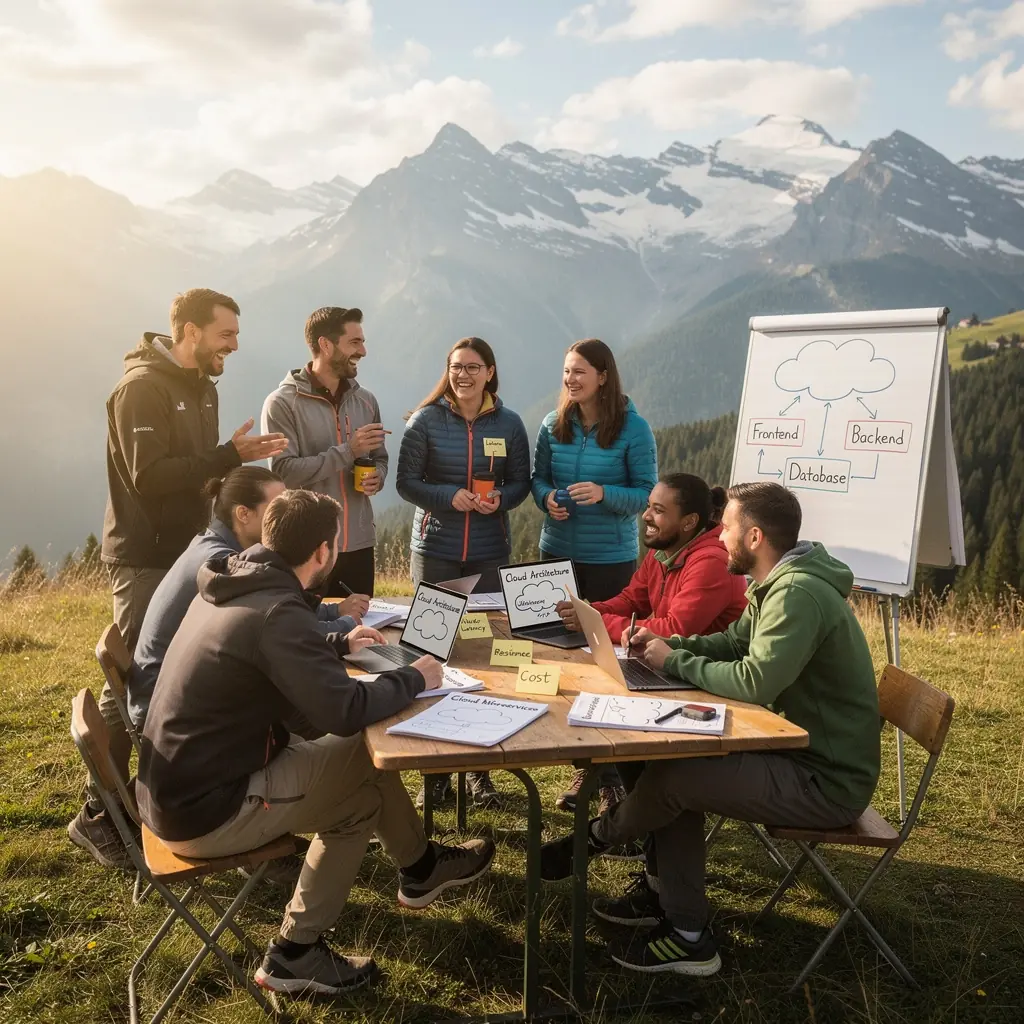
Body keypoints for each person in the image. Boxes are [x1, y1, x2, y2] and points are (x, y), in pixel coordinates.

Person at [137, 489, 495, 998]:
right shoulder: (275, 611)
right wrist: (414, 677)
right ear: (324, 553)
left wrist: (336, 642)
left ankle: (420, 869)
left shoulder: (233, 583)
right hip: (205, 811)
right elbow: (342, 712)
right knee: (360, 790)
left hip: (174, 788)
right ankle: (296, 951)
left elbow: (267, 652)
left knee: (362, 763)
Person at [539, 482, 881, 978]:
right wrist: (667, 645)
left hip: (824, 782)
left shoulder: (797, 594)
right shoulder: (777, 584)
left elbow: (755, 678)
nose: (721, 539)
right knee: (670, 765)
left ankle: (621, 864)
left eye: (730, 529)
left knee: (679, 781)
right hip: (796, 754)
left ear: (756, 537)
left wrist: (674, 656)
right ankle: (669, 906)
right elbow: (730, 642)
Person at [76, 289, 287, 868]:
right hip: (146, 556)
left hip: (188, 553)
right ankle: (99, 814)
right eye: (226, 335)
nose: (235, 345)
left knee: (172, 673)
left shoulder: (201, 387)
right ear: (190, 332)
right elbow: (149, 477)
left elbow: (201, 473)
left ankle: (153, 800)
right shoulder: (141, 389)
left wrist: (236, 478)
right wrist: (227, 456)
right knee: (138, 682)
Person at [552, 473, 747, 812]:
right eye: (648, 507)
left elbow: (673, 629)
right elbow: (631, 599)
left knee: (604, 696)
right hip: (668, 672)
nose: (646, 516)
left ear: (688, 522)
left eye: (658, 510)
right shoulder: (666, 551)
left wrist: (593, 623)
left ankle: (628, 810)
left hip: (705, 685)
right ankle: (626, 803)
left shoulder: (711, 561)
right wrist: (587, 611)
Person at [125, 466, 368, 734]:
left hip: (172, 701)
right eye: (276, 505)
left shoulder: (214, 550)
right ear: (243, 514)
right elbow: (279, 628)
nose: (286, 514)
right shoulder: (224, 565)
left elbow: (275, 617)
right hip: (172, 714)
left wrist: (333, 613)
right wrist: (344, 626)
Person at [396, 337, 531, 811]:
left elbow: (521, 482)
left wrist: (502, 500)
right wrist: (448, 496)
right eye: (456, 367)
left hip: (490, 553)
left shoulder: (510, 423)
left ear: (490, 372)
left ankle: (478, 773)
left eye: (473, 367)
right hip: (436, 550)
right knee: (431, 655)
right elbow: (406, 483)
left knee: (482, 658)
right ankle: (432, 771)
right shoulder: (426, 419)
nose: (464, 375)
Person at [531, 338, 658, 812]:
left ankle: (609, 778)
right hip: (556, 555)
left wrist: (604, 493)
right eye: (566, 371)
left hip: (610, 561)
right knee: (561, 659)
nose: (571, 380)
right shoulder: (552, 423)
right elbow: (537, 480)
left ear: (603, 375)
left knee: (603, 665)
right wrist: (545, 499)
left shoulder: (634, 429)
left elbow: (645, 494)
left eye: (580, 371)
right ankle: (583, 768)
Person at [262, 306, 386, 598]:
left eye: (363, 341)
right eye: (354, 343)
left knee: (359, 635)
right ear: (325, 345)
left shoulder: (366, 401)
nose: (364, 351)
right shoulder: (281, 403)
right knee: (307, 634)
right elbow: (284, 473)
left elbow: (380, 458)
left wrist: (377, 477)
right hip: (305, 548)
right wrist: (347, 451)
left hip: (358, 544)